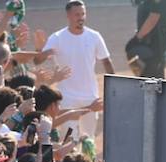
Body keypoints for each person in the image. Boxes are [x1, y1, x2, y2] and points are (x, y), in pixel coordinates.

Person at [42, 0, 115, 140]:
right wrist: (42, 51)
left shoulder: (94, 36)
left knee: (89, 140)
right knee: (68, 139)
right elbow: (38, 60)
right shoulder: (57, 38)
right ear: (68, 16)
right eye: (77, 14)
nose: (81, 17)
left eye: (83, 14)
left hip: (90, 96)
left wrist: (114, 88)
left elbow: (106, 61)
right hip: (66, 98)